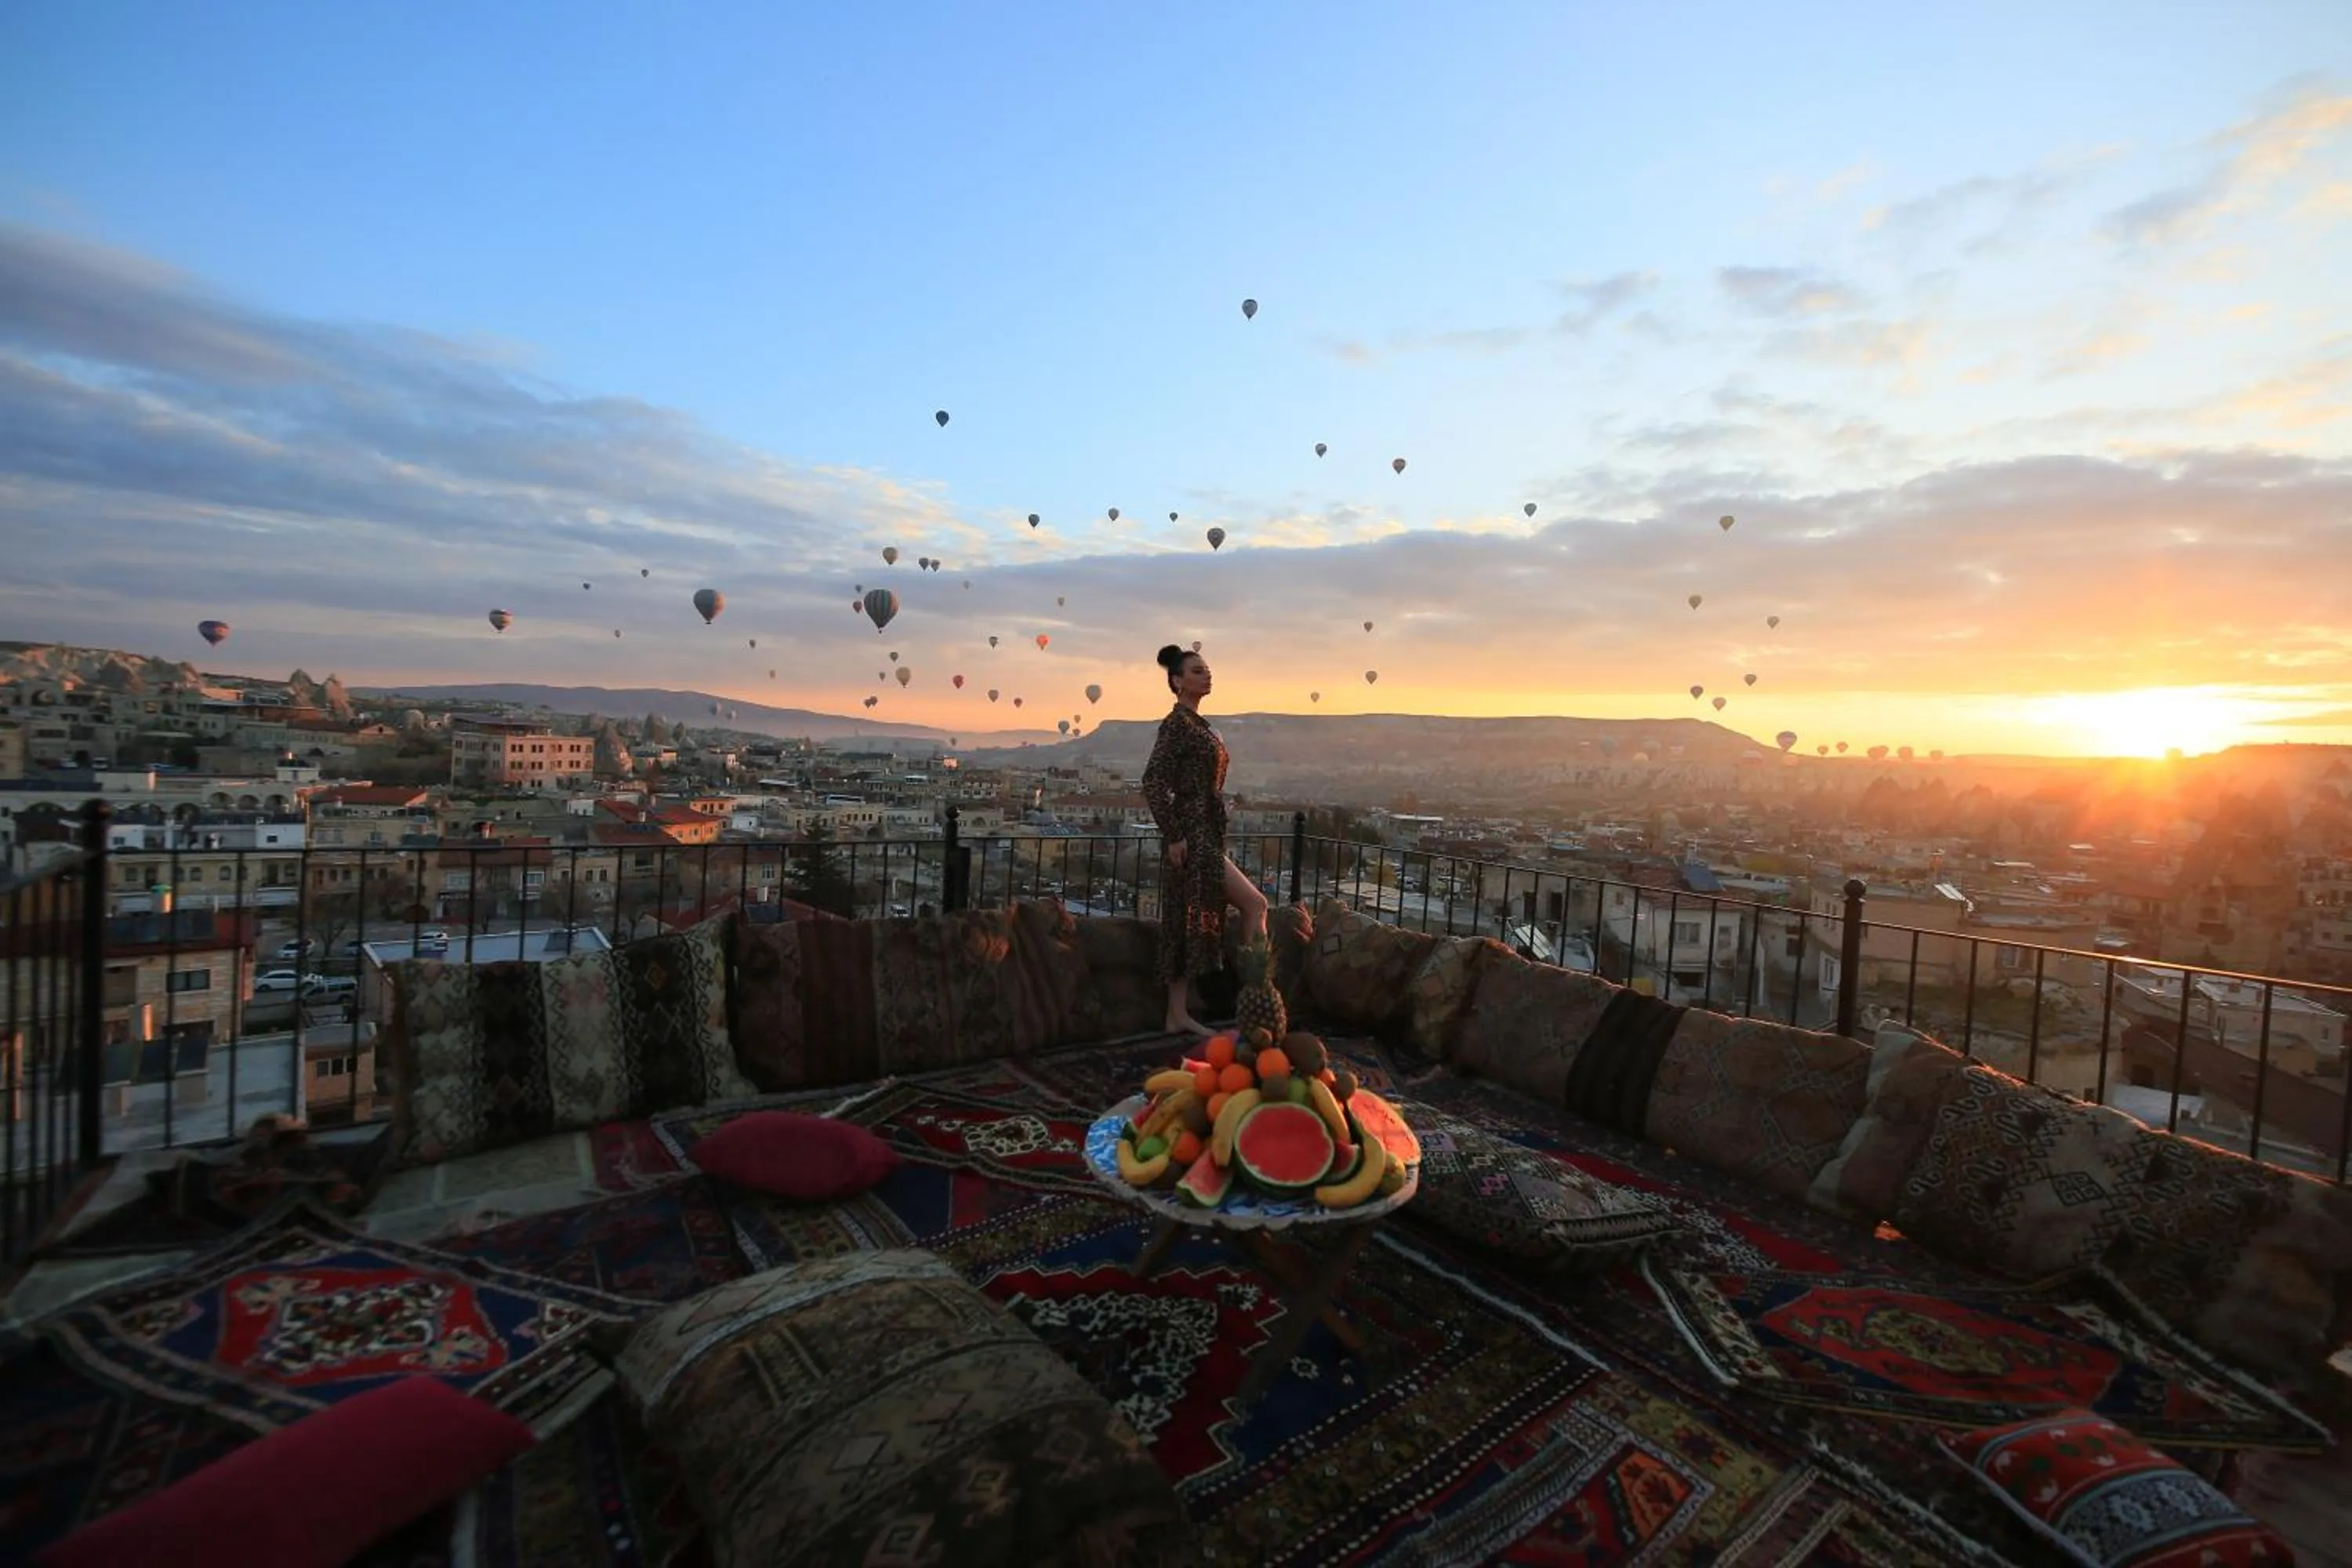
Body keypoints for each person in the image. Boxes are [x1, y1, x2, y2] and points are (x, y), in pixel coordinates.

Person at [1141, 643, 1268, 1036]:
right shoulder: (1176, 724)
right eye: (1197, 671)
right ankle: (1258, 999)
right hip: (1194, 834)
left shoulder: (1200, 725)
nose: (1207, 675)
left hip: (1205, 831)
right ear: (1177, 681)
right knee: (1255, 904)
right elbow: (1153, 781)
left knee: (1182, 917)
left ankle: (1176, 1014)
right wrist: (1175, 835)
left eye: (1208, 670)